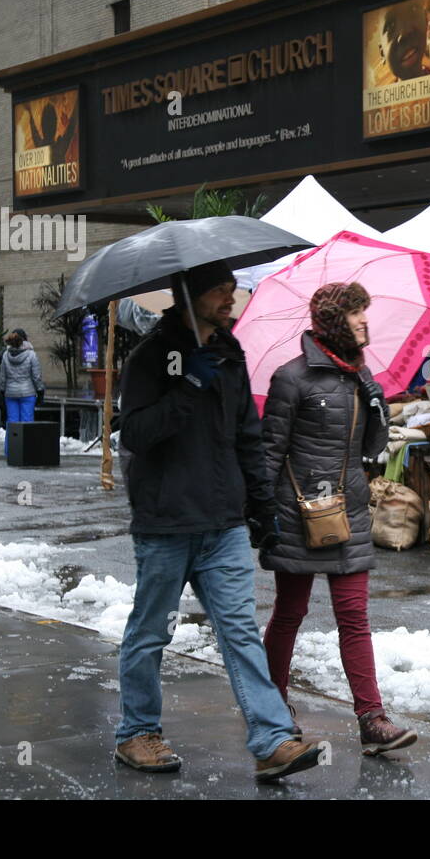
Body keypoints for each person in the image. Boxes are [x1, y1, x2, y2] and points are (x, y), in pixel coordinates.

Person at [117, 260, 320, 780]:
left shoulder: (229, 355)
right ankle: (136, 733)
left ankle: (271, 740)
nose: (231, 299)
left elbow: (246, 439)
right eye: (220, 291)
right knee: (150, 633)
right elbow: (136, 435)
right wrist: (186, 386)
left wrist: (262, 508)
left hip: (223, 521)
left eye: (233, 289)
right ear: (191, 295)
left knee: (239, 631)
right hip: (166, 521)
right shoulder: (150, 357)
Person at [255, 281, 417, 756]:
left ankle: (372, 719)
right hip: (297, 514)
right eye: (355, 314)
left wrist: (376, 404)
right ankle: (275, 710)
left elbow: (369, 450)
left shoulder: (359, 379)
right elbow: (270, 452)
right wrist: (262, 515)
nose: (366, 321)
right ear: (333, 322)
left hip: (347, 510)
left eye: (365, 312)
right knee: (289, 614)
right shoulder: (292, 378)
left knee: (355, 618)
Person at [0, 330, 44, 457]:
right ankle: (27, 452)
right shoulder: (31, 355)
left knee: (12, 423)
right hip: (27, 394)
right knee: (27, 422)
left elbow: (3, 376)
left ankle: (10, 452)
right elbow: (36, 376)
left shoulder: (6, 355)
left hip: (10, 394)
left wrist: (3, 391)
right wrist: (40, 391)